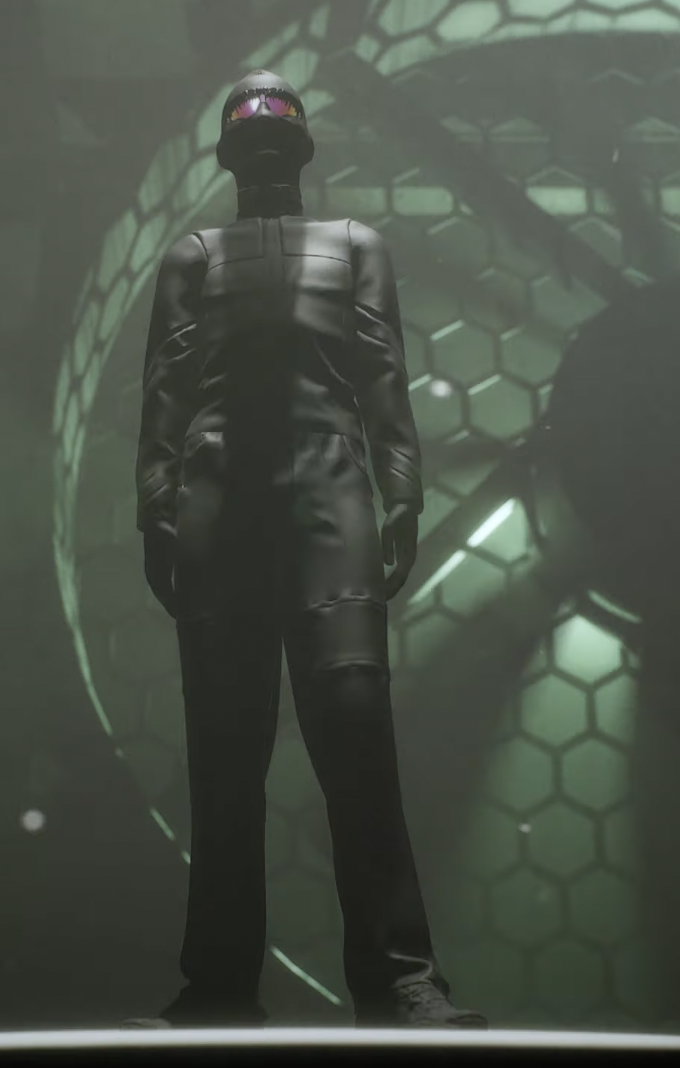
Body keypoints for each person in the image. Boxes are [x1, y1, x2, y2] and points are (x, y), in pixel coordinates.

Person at [125, 70, 486, 1030]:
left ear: (297, 150)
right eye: (251, 135)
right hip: (225, 500)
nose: (264, 150)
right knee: (226, 753)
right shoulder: (194, 255)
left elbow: (382, 377)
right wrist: (155, 504)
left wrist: (401, 488)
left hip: (326, 496)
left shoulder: (355, 247)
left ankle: (398, 976)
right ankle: (221, 982)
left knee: (356, 739)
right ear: (232, 155)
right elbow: (164, 394)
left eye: (273, 133)